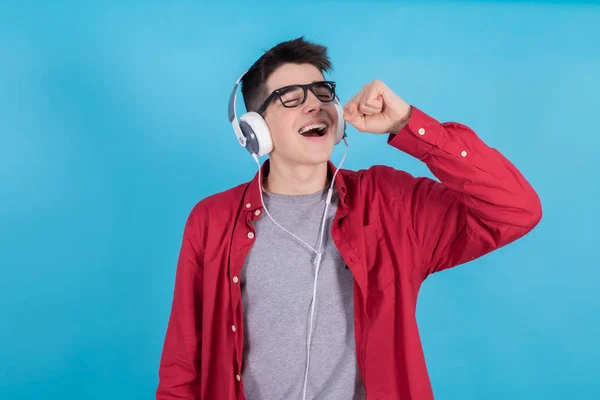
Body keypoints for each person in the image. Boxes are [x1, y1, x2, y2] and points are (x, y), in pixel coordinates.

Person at [155, 37, 542, 400]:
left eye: (322, 93)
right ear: (255, 131)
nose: (315, 105)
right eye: (290, 98)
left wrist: (408, 123)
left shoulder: (391, 205)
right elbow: (183, 364)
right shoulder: (212, 221)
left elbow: (515, 208)